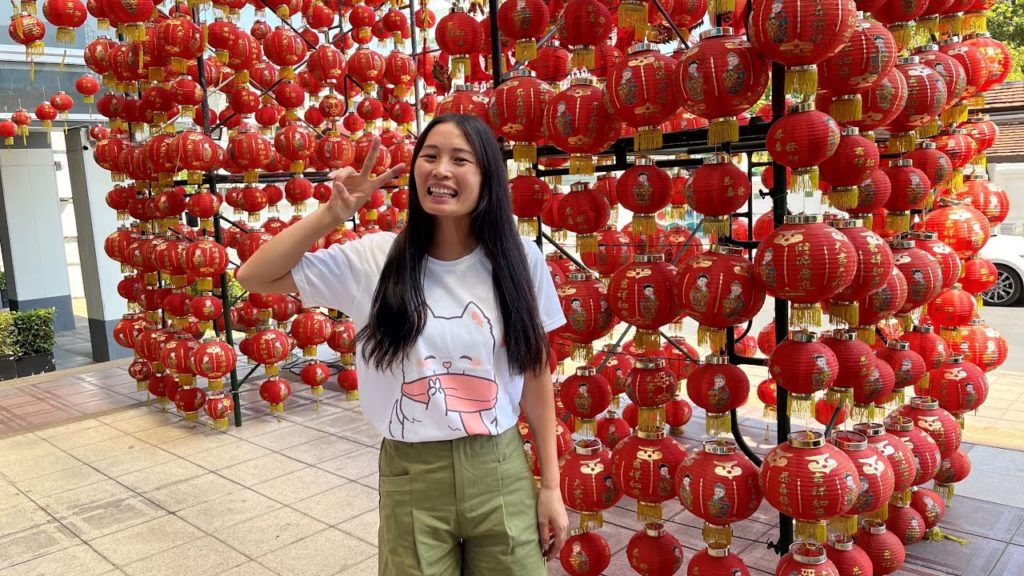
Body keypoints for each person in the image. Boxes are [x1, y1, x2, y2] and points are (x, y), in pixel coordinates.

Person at [236, 114, 569, 575]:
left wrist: (550, 487)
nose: (441, 170)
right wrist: (331, 215)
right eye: (429, 157)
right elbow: (254, 276)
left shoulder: (518, 258)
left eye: (460, 159)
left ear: (487, 175)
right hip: (412, 473)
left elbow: (535, 373)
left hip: (499, 466)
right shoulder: (374, 258)